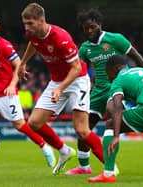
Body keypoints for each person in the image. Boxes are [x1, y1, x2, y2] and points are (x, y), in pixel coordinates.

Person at [19, 3, 104, 174]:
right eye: (25, 24)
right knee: (34, 123)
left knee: (81, 130)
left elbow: (77, 68)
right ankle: (64, 151)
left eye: (30, 24)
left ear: (41, 20)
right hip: (57, 81)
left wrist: (60, 89)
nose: (27, 28)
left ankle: (110, 167)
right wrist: (23, 62)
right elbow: (33, 43)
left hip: (77, 80)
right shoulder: (33, 34)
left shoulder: (60, 37)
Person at [65, 8, 143, 175]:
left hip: (116, 88)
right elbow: (78, 71)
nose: (89, 31)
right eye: (86, 28)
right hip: (97, 92)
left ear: (99, 24)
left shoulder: (115, 39)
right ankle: (84, 167)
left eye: (92, 27)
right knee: (84, 129)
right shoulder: (85, 49)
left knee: (113, 119)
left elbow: (135, 55)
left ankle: (110, 167)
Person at [0, 15, 55, 168]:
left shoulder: (5, 45)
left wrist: (12, 84)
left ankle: (45, 147)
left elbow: (19, 64)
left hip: (8, 94)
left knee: (20, 125)